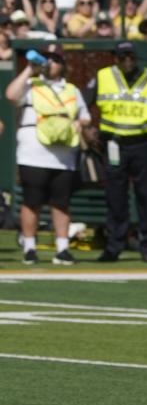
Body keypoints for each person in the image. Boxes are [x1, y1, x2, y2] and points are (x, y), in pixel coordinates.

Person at [85, 41, 147, 262]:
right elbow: (83, 102)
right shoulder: (103, 76)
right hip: (113, 143)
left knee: (146, 196)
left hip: (143, 142)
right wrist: (87, 128)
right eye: (122, 57)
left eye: (130, 56)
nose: (127, 60)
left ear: (136, 57)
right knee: (115, 197)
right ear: (116, 59)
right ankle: (114, 245)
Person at [5, 43, 90, 265]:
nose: (50, 63)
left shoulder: (72, 90)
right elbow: (11, 96)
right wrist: (28, 70)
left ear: (62, 65)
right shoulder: (31, 85)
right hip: (33, 153)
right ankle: (30, 248)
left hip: (63, 156)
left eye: (56, 59)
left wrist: (81, 124)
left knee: (61, 203)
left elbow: (85, 116)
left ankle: (62, 249)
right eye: (47, 58)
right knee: (32, 202)